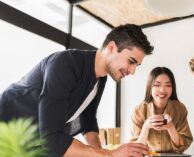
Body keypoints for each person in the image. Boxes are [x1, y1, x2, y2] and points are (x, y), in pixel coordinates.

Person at [0, 24, 154, 157]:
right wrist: (111, 154)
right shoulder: (65, 64)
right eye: (131, 61)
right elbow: (52, 138)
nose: (133, 71)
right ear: (111, 47)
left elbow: (88, 122)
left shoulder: (101, 79)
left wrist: (104, 154)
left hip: (26, 141)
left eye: (136, 66)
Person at [131, 67, 193, 154]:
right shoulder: (139, 110)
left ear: (172, 87)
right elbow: (136, 150)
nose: (162, 90)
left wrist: (171, 127)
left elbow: (182, 146)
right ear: (150, 86)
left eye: (168, 85)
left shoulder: (180, 109)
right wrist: (146, 127)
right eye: (157, 85)